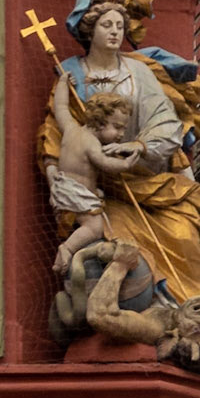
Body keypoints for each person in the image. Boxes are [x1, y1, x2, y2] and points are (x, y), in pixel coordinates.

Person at [39, 0, 200, 304]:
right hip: (101, 189)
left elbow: (166, 122)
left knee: (184, 231)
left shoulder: (138, 72)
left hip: (145, 179)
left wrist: (139, 146)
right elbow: (59, 125)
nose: (114, 33)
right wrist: (55, 171)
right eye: (106, 26)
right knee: (105, 239)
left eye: (119, 27)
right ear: (90, 29)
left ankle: (184, 305)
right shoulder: (71, 73)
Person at [48, 93, 145, 276]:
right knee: (94, 226)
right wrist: (126, 164)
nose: (122, 134)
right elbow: (105, 164)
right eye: (117, 127)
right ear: (100, 123)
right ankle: (67, 248)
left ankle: (65, 255)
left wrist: (62, 82)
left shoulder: (70, 128)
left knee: (96, 201)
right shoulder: (92, 144)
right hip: (75, 194)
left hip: (63, 187)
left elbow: (60, 107)